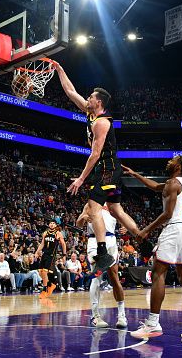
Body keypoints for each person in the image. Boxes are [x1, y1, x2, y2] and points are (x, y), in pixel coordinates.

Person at [53, 61, 140, 274]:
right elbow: (70, 91)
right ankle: (143, 237)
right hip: (109, 167)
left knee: (93, 207)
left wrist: (81, 178)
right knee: (116, 209)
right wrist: (59, 69)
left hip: (106, 167)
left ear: (98, 102)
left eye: (91, 97)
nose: (88, 98)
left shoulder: (101, 122)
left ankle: (102, 253)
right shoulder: (90, 113)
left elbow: (95, 153)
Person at [124, 156, 182, 339]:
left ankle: (153, 324)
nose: (169, 161)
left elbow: (168, 213)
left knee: (158, 273)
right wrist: (135, 174)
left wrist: (146, 230)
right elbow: (155, 187)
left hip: (174, 229)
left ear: (178, 166)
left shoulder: (172, 183)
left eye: (173, 160)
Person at [78, 203, 140, 329]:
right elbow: (78, 223)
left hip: (111, 240)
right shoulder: (89, 204)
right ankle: (95, 316)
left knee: (114, 277)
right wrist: (83, 218)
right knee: (97, 275)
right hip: (94, 240)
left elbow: (123, 216)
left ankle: (121, 315)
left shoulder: (113, 203)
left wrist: (125, 226)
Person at [35, 221, 66, 298]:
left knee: (45, 271)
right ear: (49, 224)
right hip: (44, 254)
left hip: (52, 255)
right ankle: (50, 284)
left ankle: (45, 289)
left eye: (53, 223)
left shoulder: (58, 233)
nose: (52, 224)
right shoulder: (45, 233)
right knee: (40, 272)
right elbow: (42, 244)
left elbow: (63, 244)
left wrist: (64, 255)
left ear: (55, 225)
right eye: (51, 223)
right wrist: (37, 252)